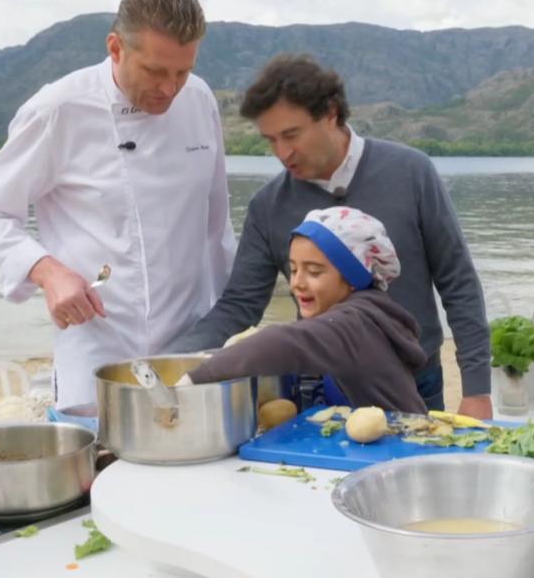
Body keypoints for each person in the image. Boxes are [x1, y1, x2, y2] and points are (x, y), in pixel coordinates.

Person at [0, 0, 237, 408]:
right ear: (115, 47)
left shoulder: (199, 100)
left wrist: (230, 327)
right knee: (98, 470)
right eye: (155, 71)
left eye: (182, 71)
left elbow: (216, 228)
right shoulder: (59, 109)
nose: (169, 88)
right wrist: (48, 272)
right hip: (96, 343)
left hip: (191, 339)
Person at [169, 54, 492, 418]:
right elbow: (238, 306)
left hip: (417, 380)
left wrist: (477, 388)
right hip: (321, 389)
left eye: (291, 135)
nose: (282, 153)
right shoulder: (268, 206)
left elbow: (458, 281)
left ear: (332, 114)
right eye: (270, 140)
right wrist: (170, 364)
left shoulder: (412, 172)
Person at [181, 207, 427, 413]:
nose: (297, 282)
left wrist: (195, 378)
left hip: (398, 455)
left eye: (314, 271)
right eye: (294, 269)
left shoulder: (355, 323)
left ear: (354, 277)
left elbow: (284, 342)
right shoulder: (354, 316)